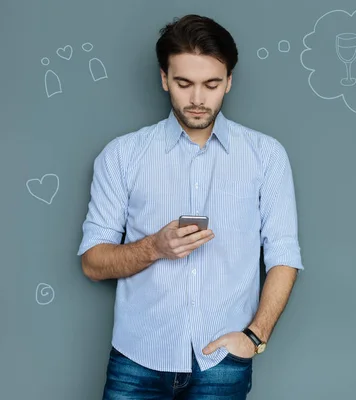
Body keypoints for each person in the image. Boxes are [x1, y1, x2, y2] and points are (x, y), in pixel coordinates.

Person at [77, 14, 304, 400]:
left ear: (229, 81)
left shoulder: (266, 156)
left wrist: (255, 336)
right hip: (136, 360)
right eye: (184, 83)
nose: (198, 98)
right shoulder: (122, 156)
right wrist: (155, 248)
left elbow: (283, 254)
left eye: (211, 84)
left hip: (221, 364)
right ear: (164, 79)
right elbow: (93, 263)